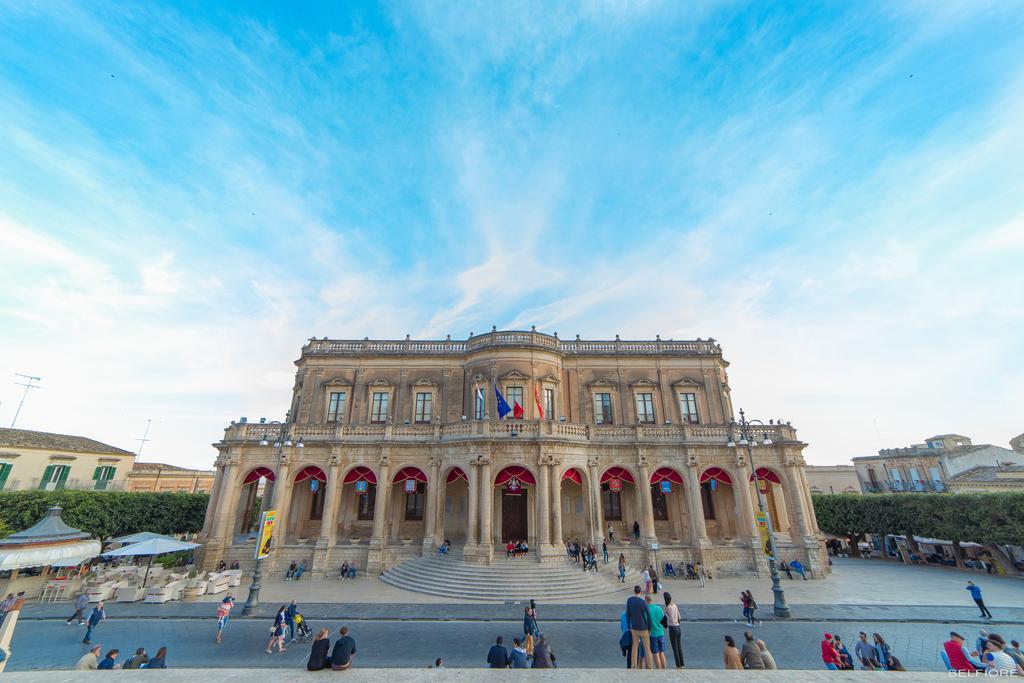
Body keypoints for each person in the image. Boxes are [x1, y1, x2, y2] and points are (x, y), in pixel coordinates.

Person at [626, 584, 652, 669]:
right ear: (640, 592)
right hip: (643, 627)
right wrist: (649, 627)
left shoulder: (629, 600)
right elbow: (648, 615)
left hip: (634, 627)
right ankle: (649, 666)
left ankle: (634, 666)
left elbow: (628, 614)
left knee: (635, 646)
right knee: (647, 648)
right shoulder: (643, 602)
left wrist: (629, 625)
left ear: (634, 591)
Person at [663, 592, 684, 669]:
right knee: (679, 646)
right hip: (678, 627)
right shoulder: (675, 605)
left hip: (672, 628)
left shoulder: (668, 607)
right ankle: (682, 664)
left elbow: (671, 618)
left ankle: (678, 665)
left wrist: (666, 616)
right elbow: (679, 617)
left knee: (674, 647)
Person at [646, 594, 666, 669]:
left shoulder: (647, 610)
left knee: (655, 653)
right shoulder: (659, 608)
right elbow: (664, 621)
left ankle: (659, 670)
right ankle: (664, 669)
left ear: (646, 600)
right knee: (662, 652)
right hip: (661, 633)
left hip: (653, 634)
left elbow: (646, 623)